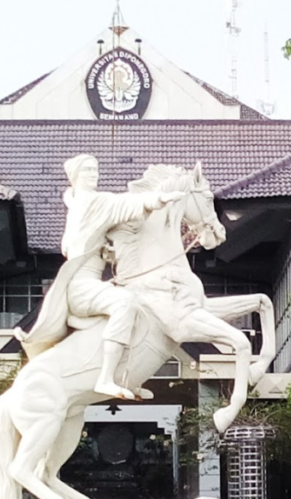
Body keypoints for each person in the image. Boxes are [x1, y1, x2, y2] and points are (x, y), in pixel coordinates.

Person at [15, 154, 184, 399]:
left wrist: (107, 252)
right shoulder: (92, 203)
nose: (94, 175)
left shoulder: (77, 205)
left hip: (88, 282)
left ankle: (127, 376)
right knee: (126, 303)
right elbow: (125, 204)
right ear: (75, 176)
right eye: (88, 171)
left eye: (95, 170)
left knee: (136, 304)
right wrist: (159, 198)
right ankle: (105, 378)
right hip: (82, 287)